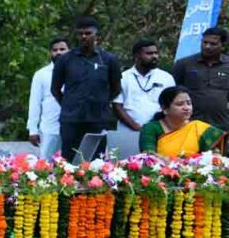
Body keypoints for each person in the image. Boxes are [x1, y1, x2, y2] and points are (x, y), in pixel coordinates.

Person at [51, 17, 121, 161]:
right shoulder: (65, 60)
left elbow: (116, 88)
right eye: (80, 34)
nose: (83, 37)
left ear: (97, 36)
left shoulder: (109, 59)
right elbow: (55, 89)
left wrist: (101, 102)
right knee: (69, 160)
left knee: (97, 161)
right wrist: (68, 103)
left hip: (98, 119)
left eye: (88, 33)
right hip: (71, 119)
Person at [139, 86, 224, 158]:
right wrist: (172, 163)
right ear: (165, 108)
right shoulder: (151, 128)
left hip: (195, 173)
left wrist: (215, 155)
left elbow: (214, 150)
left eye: (189, 103)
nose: (186, 108)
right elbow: (148, 155)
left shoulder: (197, 127)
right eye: (180, 104)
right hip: (161, 173)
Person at [172, 27, 229, 132]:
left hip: (220, 126)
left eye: (213, 44)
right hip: (189, 124)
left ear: (222, 45)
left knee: (218, 149)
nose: (207, 46)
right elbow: (173, 93)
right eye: (205, 42)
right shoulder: (184, 64)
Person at [113, 39, 175, 133]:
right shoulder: (123, 77)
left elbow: (172, 106)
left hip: (159, 131)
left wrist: (156, 128)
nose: (154, 56)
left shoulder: (166, 78)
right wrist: (137, 128)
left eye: (156, 53)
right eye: (149, 53)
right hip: (128, 131)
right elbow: (117, 106)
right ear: (136, 56)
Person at [27, 37, 69, 160]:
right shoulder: (41, 74)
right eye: (55, 50)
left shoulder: (75, 72)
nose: (59, 52)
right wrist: (32, 130)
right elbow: (34, 103)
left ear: (69, 51)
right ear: (50, 52)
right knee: (46, 167)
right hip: (48, 129)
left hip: (72, 127)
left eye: (62, 49)